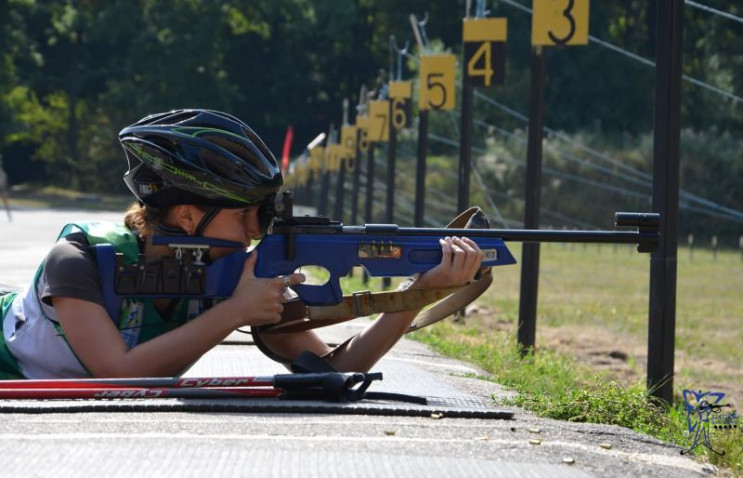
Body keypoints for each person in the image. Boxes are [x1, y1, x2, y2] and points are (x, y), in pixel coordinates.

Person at [0, 109, 484, 379]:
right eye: (245, 215)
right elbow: (116, 375)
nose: (258, 230)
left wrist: (415, 294)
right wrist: (234, 311)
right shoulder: (78, 260)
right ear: (188, 215)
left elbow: (335, 369)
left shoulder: (234, 271)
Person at [0, 154, 11, 221]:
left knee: (5, 201)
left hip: (1, 187)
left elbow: (5, 179)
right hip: (2, 186)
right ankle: (9, 215)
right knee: (5, 201)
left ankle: (9, 215)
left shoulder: (2, 172)